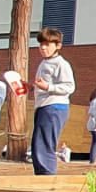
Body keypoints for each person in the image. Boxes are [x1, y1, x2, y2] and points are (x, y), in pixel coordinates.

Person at [30, 28, 75, 177]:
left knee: (44, 144)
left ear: (58, 46)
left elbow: (70, 86)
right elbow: (42, 85)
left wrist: (48, 87)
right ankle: (41, 175)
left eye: (48, 44)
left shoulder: (61, 64)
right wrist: (31, 87)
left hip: (54, 107)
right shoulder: (44, 63)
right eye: (41, 44)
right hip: (44, 106)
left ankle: (47, 176)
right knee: (38, 144)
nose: (43, 48)